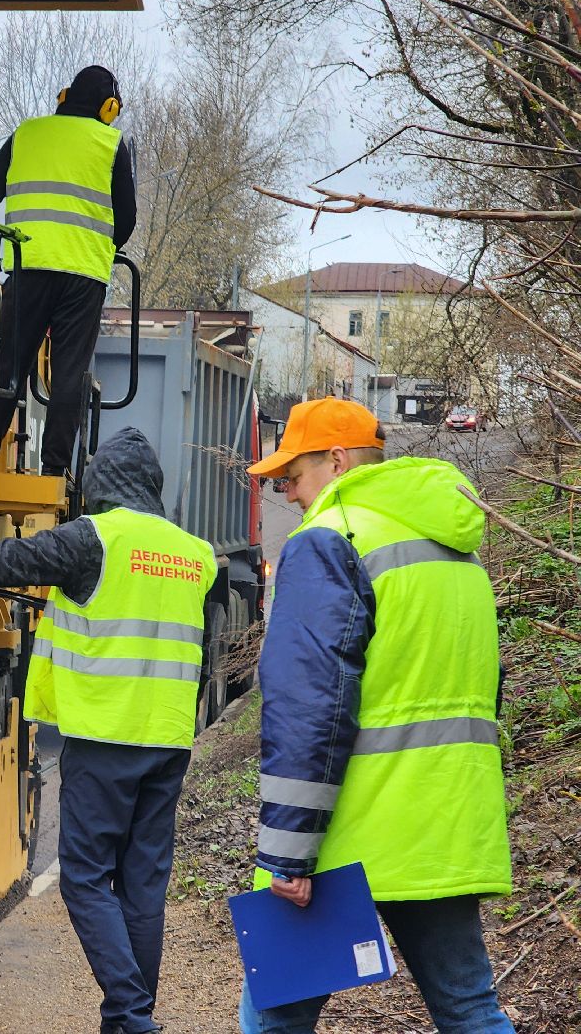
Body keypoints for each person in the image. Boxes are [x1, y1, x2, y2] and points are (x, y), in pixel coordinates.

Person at [0, 428, 215, 1034]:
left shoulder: (93, 541)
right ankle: (130, 1019)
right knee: (142, 885)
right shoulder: (196, 553)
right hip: (168, 741)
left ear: (102, 486)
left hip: (106, 736)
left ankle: (134, 1017)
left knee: (84, 877)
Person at [242, 398, 513, 1033]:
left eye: (293, 478)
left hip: (352, 833)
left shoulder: (330, 541)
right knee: (471, 1010)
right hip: (446, 824)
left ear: (335, 461)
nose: (290, 495)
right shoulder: (457, 550)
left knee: (274, 1016)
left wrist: (288, 850)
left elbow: (308, 708)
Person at [0, 65, 138, 475]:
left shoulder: (27, 133)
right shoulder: (111, 143)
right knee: (69, 373)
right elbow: (127, 218)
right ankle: (53, 468)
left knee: (7, 368)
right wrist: (98, 248)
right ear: (109, 107)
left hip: (27, 266)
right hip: (83, 276)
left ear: (64, 98)